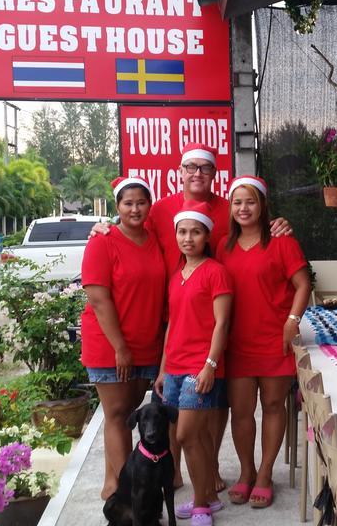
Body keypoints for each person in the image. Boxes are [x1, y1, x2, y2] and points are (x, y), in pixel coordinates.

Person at [91, 143, 291, 491]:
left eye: (205, 167)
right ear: (179, 171)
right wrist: (103, 227)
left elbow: (255, 222)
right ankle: (173, 471)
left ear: (215, 174)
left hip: (213, 323)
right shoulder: (160, 209)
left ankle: (209, 468)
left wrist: (280, 225)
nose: (197, 173)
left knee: (212, 403)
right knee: (171, 404)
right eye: (190, 166)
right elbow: (130, 222)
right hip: (169, 323)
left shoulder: (231, 207)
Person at [217, 176, 310, 509]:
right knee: (242, 413)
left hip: (275, 341)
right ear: (231, 208)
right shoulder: (222, 247)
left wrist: (292, 321)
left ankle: (266, 473)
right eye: (237, 202)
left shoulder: (283, 242)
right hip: (237, 344)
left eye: (251, 201)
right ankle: (246, 472)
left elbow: (303, 284)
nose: (244, 208)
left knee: (273, 407)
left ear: (263, 205)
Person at [80, 176, 166, 500]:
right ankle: (125, 493)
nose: (135, 209)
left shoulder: (156, 239)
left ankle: (113, 479)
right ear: (117, 207)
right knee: (117, 414)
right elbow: (99, 299)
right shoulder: (102, 242)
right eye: (128, 203)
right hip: (111, 345)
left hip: (146, 343)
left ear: (149, 205)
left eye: (141, 202)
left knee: (130, 411)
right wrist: (121, 348)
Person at [154, 200, 232, 526]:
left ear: (206, 237)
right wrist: (161, 369)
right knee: (192, 437)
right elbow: (172, 325)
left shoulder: (216, 273)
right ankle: (209, 497)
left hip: (200, 368)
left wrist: (210, 365)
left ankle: (199, 504)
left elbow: (222, 323)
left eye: (195, 232)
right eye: (183, 232)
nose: (188, 238)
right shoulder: (176, 276)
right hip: (173, 368)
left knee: (186, 435)